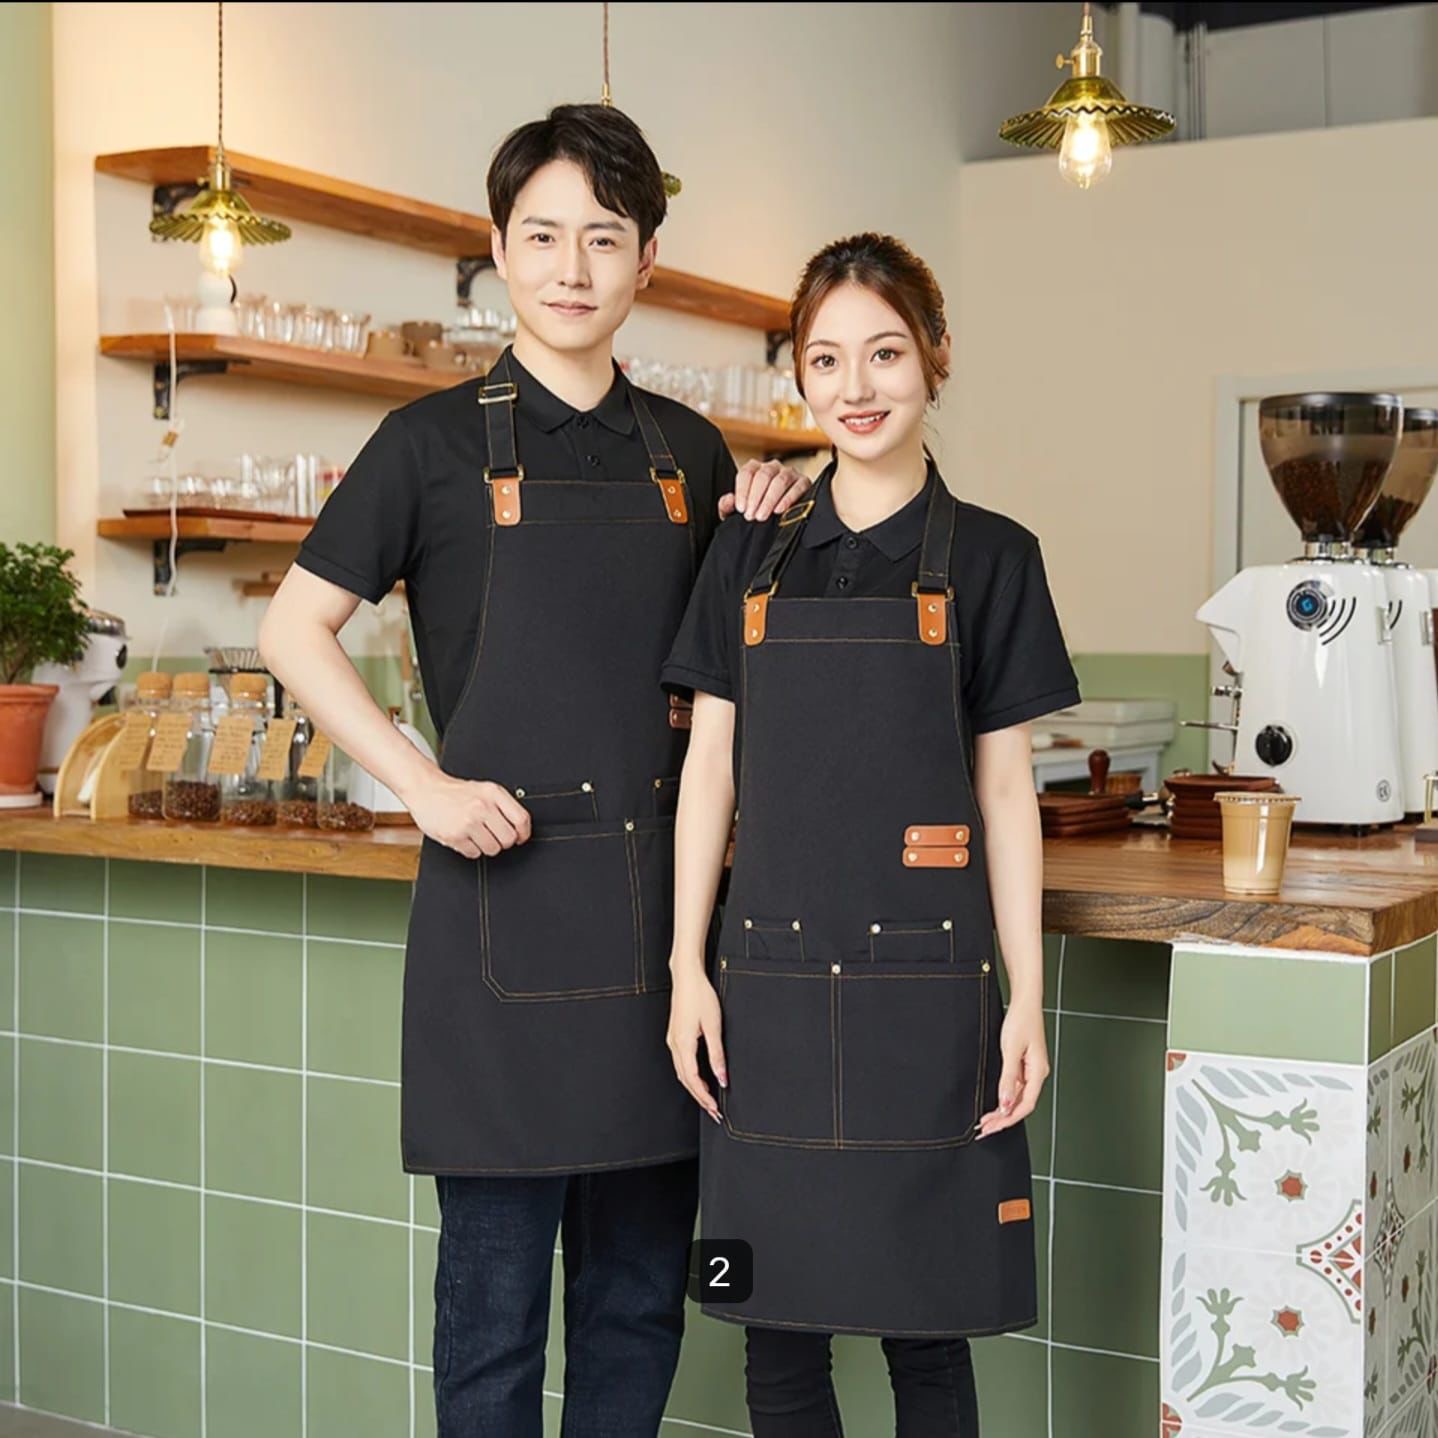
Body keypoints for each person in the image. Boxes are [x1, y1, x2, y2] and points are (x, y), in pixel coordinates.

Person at [257, 104, 810, 1438]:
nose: (573, 267)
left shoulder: (691, 451)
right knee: (491, 1314)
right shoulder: (426, 445)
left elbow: (730, 683)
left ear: (646, 259)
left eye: (603, 238)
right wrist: (423, 787)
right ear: (497, 250)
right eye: (544, 236)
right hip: (497, 921)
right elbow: (291, 629)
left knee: (638, 1304)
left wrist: (776, 529)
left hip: (664, 937)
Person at [660, 232, 1081, 1436]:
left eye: (885, 353)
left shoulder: (995, 558)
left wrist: (1025, 998)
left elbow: (1006, 793)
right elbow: (708, 771)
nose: (855, 387)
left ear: (936, 356)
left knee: (927, 1333)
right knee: (773, 1335)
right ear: (799, 373)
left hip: (928, 1001)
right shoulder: (748, 548)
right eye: (826, 359)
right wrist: (688, 969)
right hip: (766, 997)